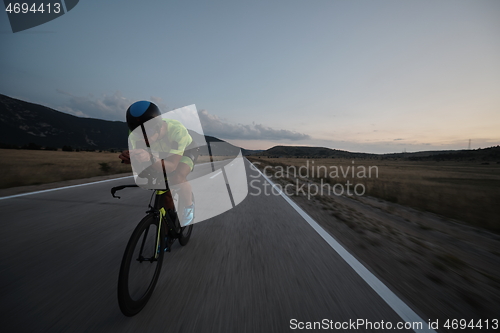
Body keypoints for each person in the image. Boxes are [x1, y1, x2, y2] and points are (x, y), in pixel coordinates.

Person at [119, 101, 197, 227]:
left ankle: (189, 207)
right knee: (165, 192)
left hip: (186, 151)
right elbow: (139, 160)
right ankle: (169, 222)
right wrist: (131, 158)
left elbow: (171, 166)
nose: (143, 138)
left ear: (159, 126)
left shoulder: (177, 130)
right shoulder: (134, 133)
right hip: (159, 153)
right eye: (138, 133)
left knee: (176, 177)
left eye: (148, 133)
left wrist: (149, 157)